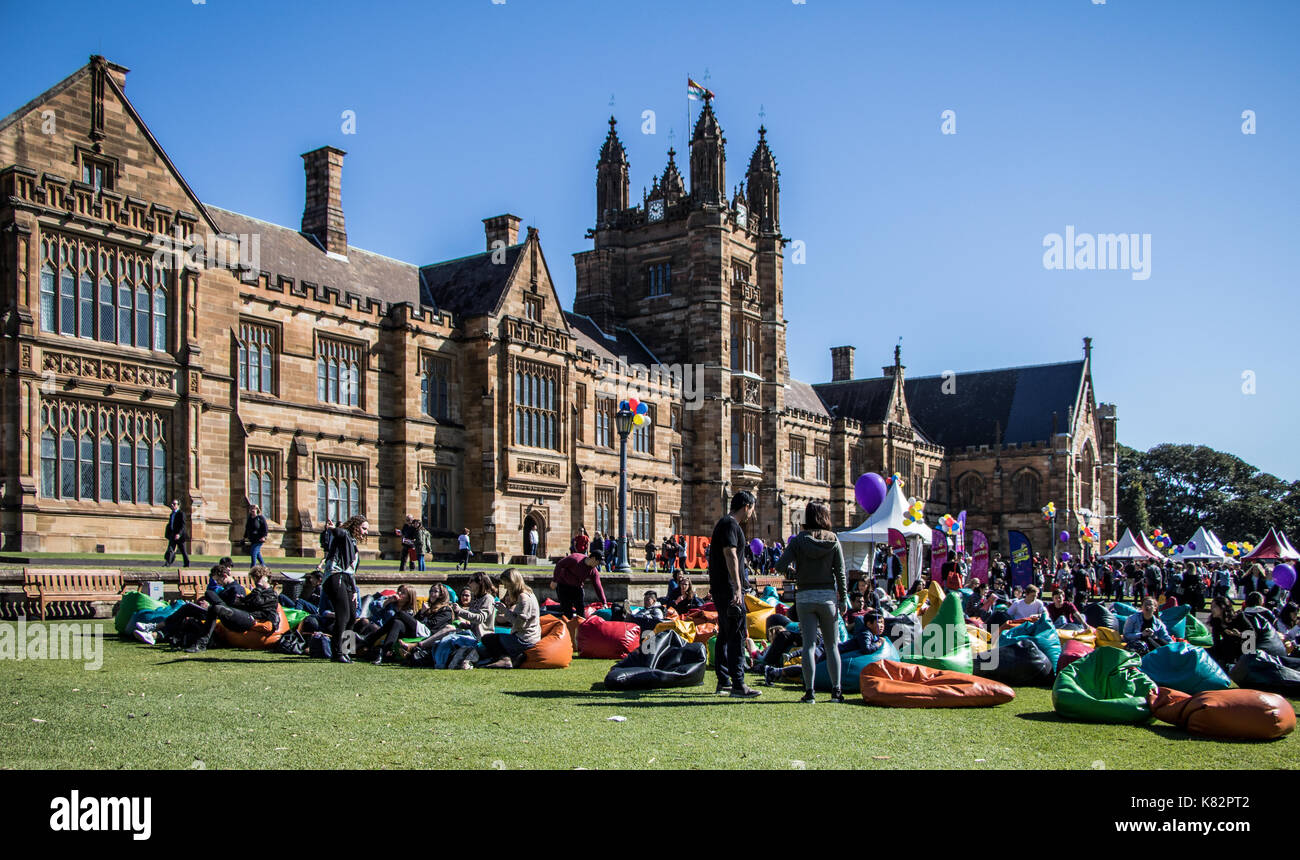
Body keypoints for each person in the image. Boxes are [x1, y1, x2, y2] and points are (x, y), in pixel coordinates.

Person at [775, 500, 848, 704]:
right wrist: (843, 598)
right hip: (827, 597)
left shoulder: (799, 540)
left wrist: (795, 570)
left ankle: (809, 693)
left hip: (805, 597)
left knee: (808, 645)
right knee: (832, 645)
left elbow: (779, 565)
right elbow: (840, 573)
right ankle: (836, 692)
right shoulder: (833, 540)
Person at [709, 491, 760, 699]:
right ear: (747, 506)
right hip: (729, 589)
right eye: (752, 508)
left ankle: (724, 681)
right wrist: (738, 587)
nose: (752, 514)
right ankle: (738, 684)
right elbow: (729, 553)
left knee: (724, 634)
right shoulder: (731, 525)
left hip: (722, 587)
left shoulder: (724, 523)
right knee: (737, 634)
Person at [183, 565, 280, 653]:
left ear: (264, 579)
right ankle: (201, 644)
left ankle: (201, 644)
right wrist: (240, 601)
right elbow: (249, 603)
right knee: (211, 598)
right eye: (255, 579)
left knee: (216, 608)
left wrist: (259, 586)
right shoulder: (258, 591)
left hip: (252, 620)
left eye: (257, 579)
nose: (255, 582)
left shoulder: (272, 594)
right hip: (242, 616)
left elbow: (256, 602)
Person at [318, 515, 368, 663]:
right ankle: (337, 653)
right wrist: (333, 528)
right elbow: (338, 533)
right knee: (343, 615)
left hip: (347, 580)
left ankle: (347, 650)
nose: (365, 532)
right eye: (363, 528)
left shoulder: (352, 542)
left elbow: (351, 571)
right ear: (355, 526)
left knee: (352, 616)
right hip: (335, 577)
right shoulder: (344, 535)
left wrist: (353, 590)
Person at [479, 569, 540, 668]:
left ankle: (505, 659)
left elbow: (520, 624)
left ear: (513, 582)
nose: (506, 587)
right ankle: (515, 657)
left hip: (524, 639)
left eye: (506, 584)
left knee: (488, 639)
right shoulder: (530, 593)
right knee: (495, 637)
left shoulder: (523, 598)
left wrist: (505, 612)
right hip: (530, 637)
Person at [550, 548, 607, 618]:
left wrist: (604, 602)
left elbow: (598, 586)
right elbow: (559, 564)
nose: (598, 565)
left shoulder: (593, 571)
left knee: (581, 612)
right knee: (567, 611)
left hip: (577, 588)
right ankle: (567, 625)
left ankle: (580, 627)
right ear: (593, 558)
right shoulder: (575, 559)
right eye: (598, 562)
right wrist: (554, 580)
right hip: (563, 585)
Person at [163, 499, 190, 567]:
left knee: (183, 551)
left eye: (174, 504)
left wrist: (179, 534)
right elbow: (171, 524)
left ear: (178, 505)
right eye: (172, 503)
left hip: (179, 536)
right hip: (173, 534)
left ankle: (187, 564)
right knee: (170, 549)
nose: (172, 505)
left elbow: (183, 525)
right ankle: (168, 563)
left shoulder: (181, 513)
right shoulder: (172, 514)